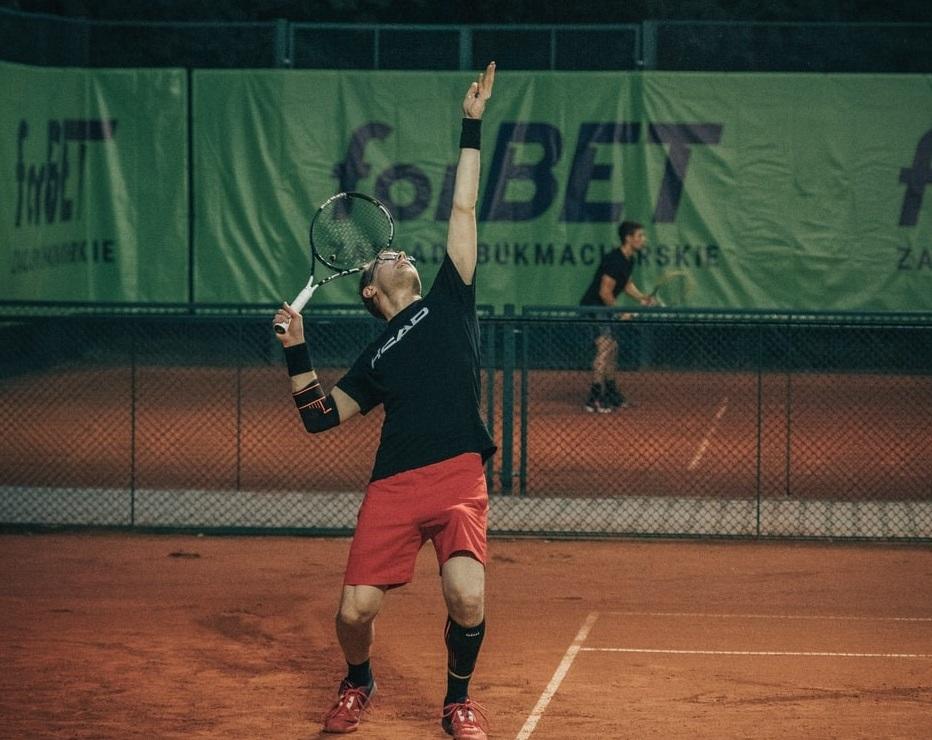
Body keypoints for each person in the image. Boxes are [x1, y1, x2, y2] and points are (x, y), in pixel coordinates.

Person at [273, 62, 497, 739]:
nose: (398, 253)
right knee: (353, 614)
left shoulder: (451, 299)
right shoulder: (374, 357)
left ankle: (457, 701)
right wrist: (295, 349)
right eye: (387, 256)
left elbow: (462, 208)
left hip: (459, 473)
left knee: (466, 594)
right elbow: (319, 418)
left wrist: (471, 123)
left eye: (399, 250)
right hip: (395, 486)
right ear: (370, 292)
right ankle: (358, 679)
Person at [578, 220, 654, 413]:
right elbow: (605, 292)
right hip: (594, 308)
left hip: (604, 309)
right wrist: (620, 312)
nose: (643, 240)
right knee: (604, 349)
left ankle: (610, 392)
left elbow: (626, 284)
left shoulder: (629, 259)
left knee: (613, 348)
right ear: (628, 238)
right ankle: (594, 398)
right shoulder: (614, 259)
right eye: (640, 236)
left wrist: (642, 298)